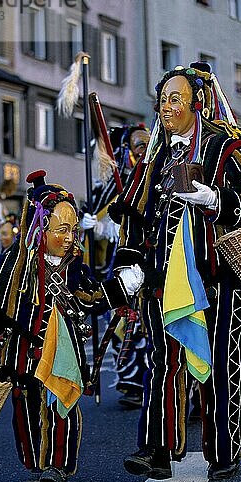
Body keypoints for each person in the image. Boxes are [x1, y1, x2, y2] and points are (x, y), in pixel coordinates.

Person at [111, 63, 241, 480]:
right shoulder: (154, 156)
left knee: (221, 361)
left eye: (175, 99)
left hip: (218, 279)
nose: (166, 107)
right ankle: (156, 451)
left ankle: (224, 451)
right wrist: (129, 264)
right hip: (162, 280)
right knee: (162, 362)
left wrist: (215, 199)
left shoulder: (225, 148)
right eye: (162, 100)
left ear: (196, 103)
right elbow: (135, 213)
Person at [0, 170, 138, 482]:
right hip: (23, 354)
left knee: (62, 406)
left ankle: (57, 466)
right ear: (40, 228)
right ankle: (37, 462)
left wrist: (123, 286)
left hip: (64, 355)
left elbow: (91, 297)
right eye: (62, 229)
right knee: (26, 409)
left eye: (73, 230)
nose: (71, 237)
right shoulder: (14, 263)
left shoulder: (74, 267)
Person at [81, 124, 150, 408]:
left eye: (146, 142)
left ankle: (154, 381)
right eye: (137, 144)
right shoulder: (115, 182)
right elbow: (98, 216)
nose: (142, 148)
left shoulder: (156, 171)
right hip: (119, 264)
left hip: (151, 260)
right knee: (121, 324)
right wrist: (91, 223)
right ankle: (132, 383)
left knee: (148, 324)